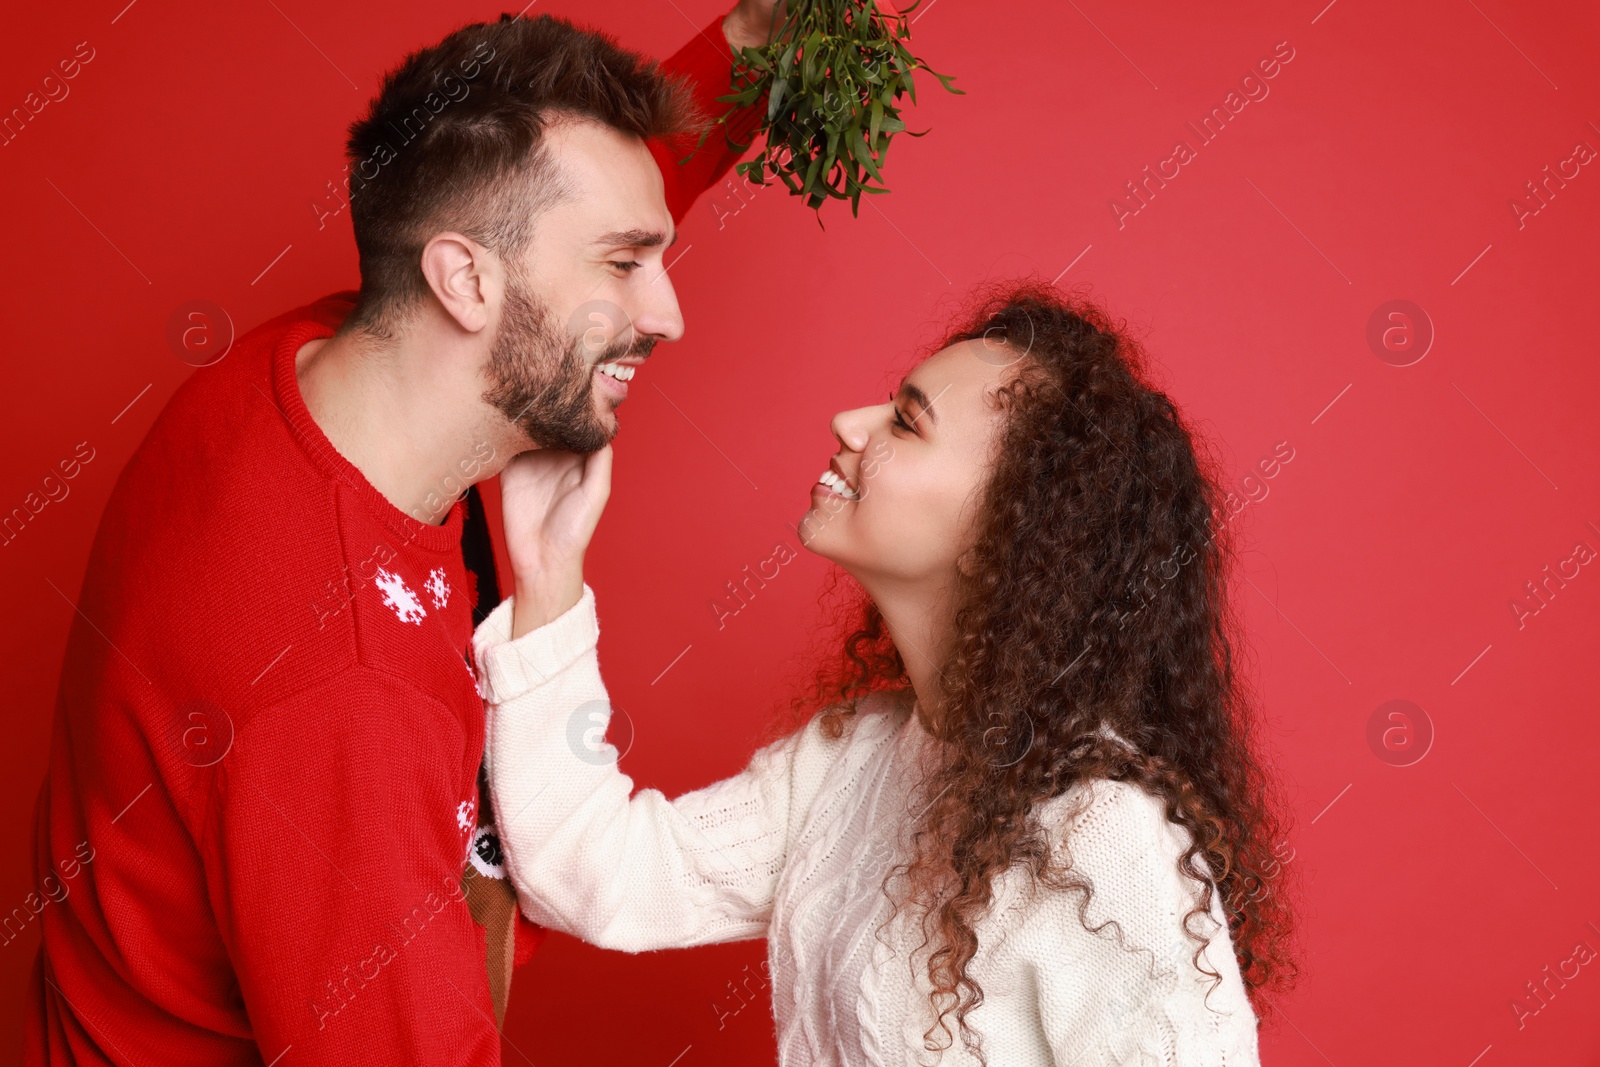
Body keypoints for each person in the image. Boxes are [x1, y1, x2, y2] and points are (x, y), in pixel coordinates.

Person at [24, 4, 785, 1063]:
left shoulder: (324, 362)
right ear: (464, 278)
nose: (668, 313)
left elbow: (575, 200)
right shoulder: (336, 694)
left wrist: (765, 35)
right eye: (623, 266)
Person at [473, 282, 1299, 1065]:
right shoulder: (850, 759)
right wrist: (549, 570)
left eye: (906, 423)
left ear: (1013, 525)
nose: (848, 421)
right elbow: (598, 875)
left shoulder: (1103, 832)